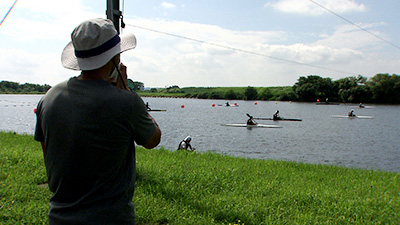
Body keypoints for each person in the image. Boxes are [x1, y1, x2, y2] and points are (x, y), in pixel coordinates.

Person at [34, 18, 161, 225]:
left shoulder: (49, 98)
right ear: (115, 58)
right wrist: (126, 91)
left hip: (59, 218)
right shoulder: (126, 102)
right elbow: (153, 139)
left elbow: (49, 158)